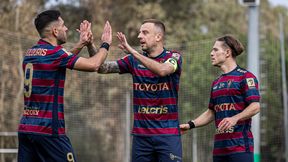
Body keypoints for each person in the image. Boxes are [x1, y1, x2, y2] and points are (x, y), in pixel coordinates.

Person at [17, 10, 112, 162]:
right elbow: (94, 65)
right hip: (49, 131)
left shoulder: (32, 52)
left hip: (27, 129)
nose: (66, 28)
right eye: (63, 25)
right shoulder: (55, 54)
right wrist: (106, 44)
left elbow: (60, 60)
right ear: (55, 31)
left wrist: (81, 43)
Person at [96, 19, 183, 162]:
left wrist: (132, 51)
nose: (139, 36)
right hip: (141, 137)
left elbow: (162, 70)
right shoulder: (133, 61)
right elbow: (101, 68)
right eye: (139, 32)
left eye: (145, 32)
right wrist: (97, 46)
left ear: (158, 37)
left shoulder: (174, 57)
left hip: (168, 135)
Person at [180, 35, 261, 162]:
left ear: (227, 52)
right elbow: (211, 112)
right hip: (219, 150)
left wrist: (235, 118)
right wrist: (190, 125)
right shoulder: (216, 83)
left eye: (215, 50)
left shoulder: (245, 77)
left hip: (240, 148)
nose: (211, 53)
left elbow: (255, 106)